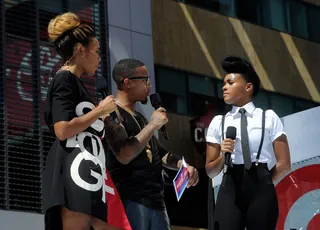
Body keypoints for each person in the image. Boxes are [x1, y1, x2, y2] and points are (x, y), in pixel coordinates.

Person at [43, 12, 131, 230]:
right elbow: (62, 129)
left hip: (87, 166)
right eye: (97, 51)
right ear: (81, 51)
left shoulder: (76, 83)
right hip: (75, 165)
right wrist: (98, 111)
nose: (100, 57)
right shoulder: (64, 79)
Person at [103, 58, 199, 230]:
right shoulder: (111, 113)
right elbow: (124, 154)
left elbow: (159, 153)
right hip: (131, 198)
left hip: (156, 200)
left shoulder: (139, 117)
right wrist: (153, 125)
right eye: (145, 80)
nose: (149, 86)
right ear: (128, 82)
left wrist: (183, 166)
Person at [205, 56, 291, 230]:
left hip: (261, 185)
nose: (224, 87)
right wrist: (223, 156)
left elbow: (284, 164)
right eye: (224, 84)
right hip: (230, 184)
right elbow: (210, 171)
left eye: (230, 82)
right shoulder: (218, 122)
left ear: (248, 87)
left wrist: (264, 182)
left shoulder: (268, 117)